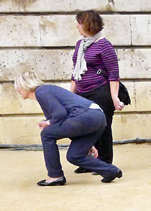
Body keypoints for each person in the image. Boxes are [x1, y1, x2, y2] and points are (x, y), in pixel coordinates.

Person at [15, 70, 123, 186]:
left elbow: (60, 114)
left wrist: (48, 122)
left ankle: (55, 176)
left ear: (25, 85)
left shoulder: (41, 91)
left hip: (88, 116)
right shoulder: (46, 92)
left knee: (46, 134)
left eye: (18, 87)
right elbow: (64, 123)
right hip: (96, 117)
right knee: (74, 156)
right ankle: (111, 171)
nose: (17, 91)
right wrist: (89, 144)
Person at [70, 10, 123, 174]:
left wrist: (114, 97)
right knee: (83, 128)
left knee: (103, 127)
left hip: (100, 91)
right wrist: (71, 95)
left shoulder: (104, 45)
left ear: (88, 24)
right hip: (82, 92)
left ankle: (104, 163)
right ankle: (87, 161)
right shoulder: (80, 44)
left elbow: (113, 73)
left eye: (79, 22)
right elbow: (75, 71)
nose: (77, 26)